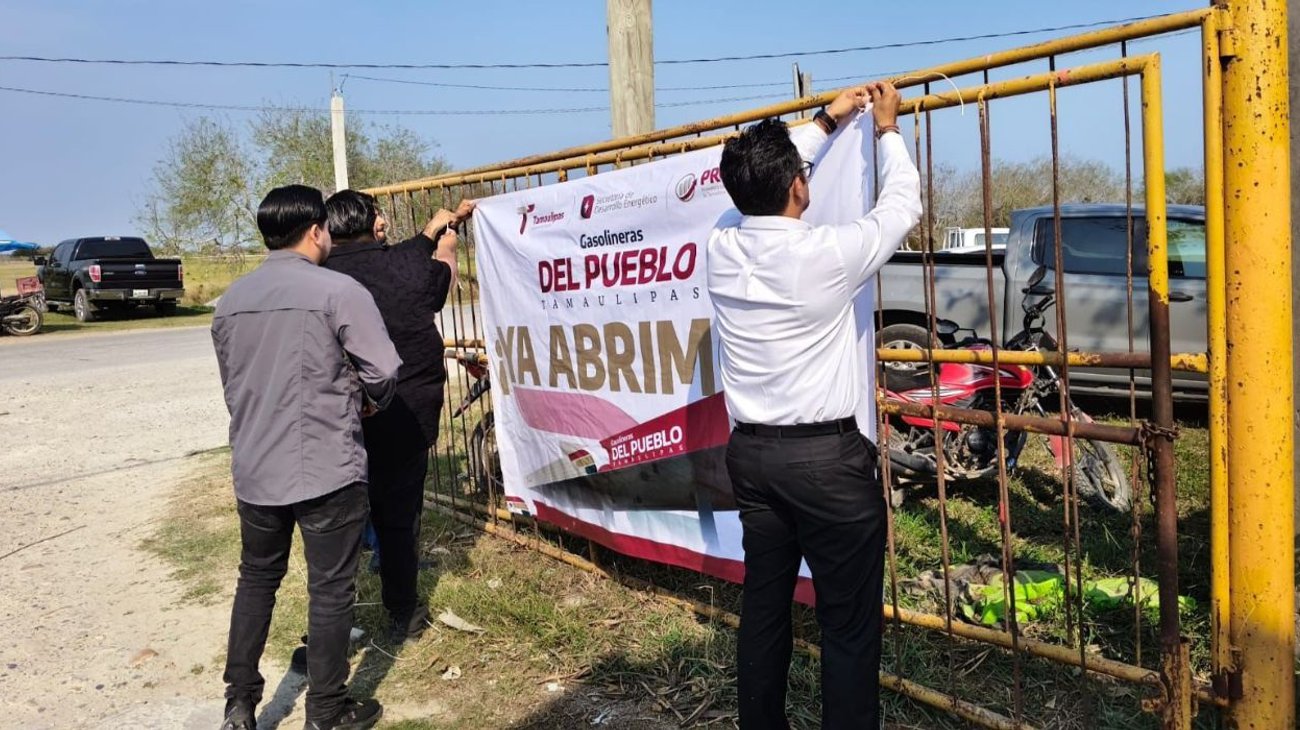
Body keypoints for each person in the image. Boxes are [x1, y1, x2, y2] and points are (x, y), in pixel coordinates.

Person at [706, 82, 921, 729]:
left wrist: (827, 119)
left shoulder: (720, 245)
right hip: (826, 463)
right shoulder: (825, 254)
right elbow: (901, 206)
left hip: (753, 459)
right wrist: (884, 129)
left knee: (766, 608)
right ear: (800, 187)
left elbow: (760, 177)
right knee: (847, 630)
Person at [213, 184, 402, 730]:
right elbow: (385, 370)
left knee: (256, 579)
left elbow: (234, 385)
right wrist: (366, 401)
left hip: (254, 467)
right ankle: (325, 712)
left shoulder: (231, 300)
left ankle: (240, 703)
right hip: (326, 466)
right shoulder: (338, 290)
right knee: (330, 589)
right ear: (318, 230)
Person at [322, 190, 473, 644]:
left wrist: (433, 230)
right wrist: (447, 241)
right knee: (399, 511)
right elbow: (437, 279)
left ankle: (330, 623)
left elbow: (398, 255)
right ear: (374, 221)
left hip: (334, 415)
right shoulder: (404, 269)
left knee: (334, 519)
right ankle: (402, 612)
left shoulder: (318, 276)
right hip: (403, 409)